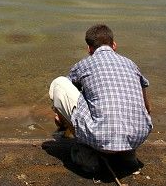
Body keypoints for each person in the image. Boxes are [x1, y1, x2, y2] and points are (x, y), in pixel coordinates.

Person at [49, 24, 152, 172]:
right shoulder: (131, 64)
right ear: (114, 45)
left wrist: (62, 118)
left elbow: (69, 88)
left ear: (89, 49)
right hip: (138, 136)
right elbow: (147, 107)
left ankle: (87, 154)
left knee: (59, 83)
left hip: (100, 139)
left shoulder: (84, 64)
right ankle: (127, 154)